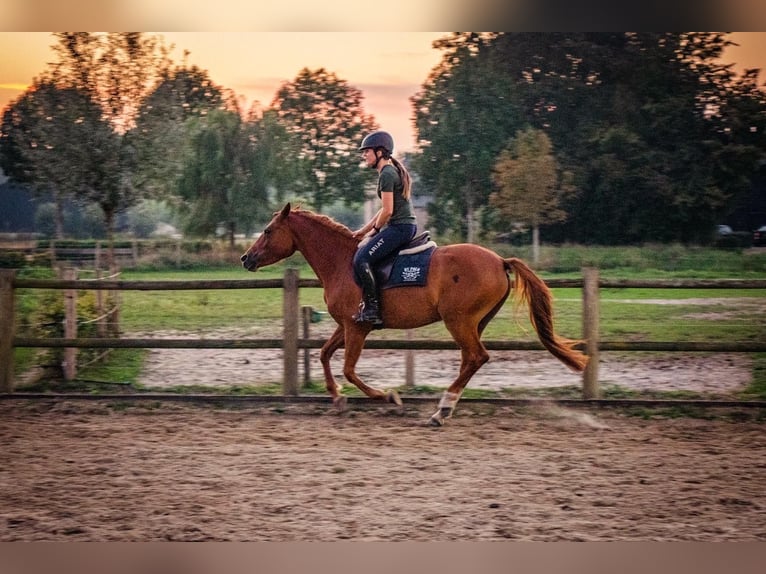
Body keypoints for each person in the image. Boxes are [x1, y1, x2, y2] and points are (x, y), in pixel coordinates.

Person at [351, 130, 418, 328]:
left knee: (361, 258)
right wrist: (363, 231)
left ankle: (373, 309)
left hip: (400, 227)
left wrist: (375, 231)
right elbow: (384, 209)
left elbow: (387, 211)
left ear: (380, 152)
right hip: (403, 226)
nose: (364, 155)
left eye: (367, 151)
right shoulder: (388, 171)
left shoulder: (387, 174)